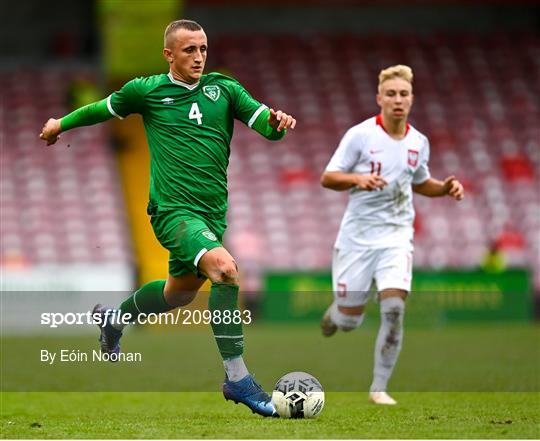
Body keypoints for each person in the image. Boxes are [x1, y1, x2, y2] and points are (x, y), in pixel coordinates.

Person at [39, 19, 296, 417]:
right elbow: (101, 109)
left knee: (179, 293)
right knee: (225, 270)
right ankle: (239, 379)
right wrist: (60, 123)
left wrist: (277, 125)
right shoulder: (147, 89)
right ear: (169, 54)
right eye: (190, 50)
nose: (198, 57)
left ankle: (114, 320)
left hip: (212, 213)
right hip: (173, 211)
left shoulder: (224, 89)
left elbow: (265, 124)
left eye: (203, 49)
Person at [320, 65, 464, 405]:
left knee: (395, 308)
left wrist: (444, 188)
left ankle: (379, 388)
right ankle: (336, 314)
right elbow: (328, 177)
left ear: (411, 100)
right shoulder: (360, 135)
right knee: (350, 322)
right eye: (392, 94)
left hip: (397, 236)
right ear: (379, 98)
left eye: (403, 94)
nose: (398, 100)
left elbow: (420, 182)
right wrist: (358, 180)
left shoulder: (419, 142)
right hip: (357, 237)